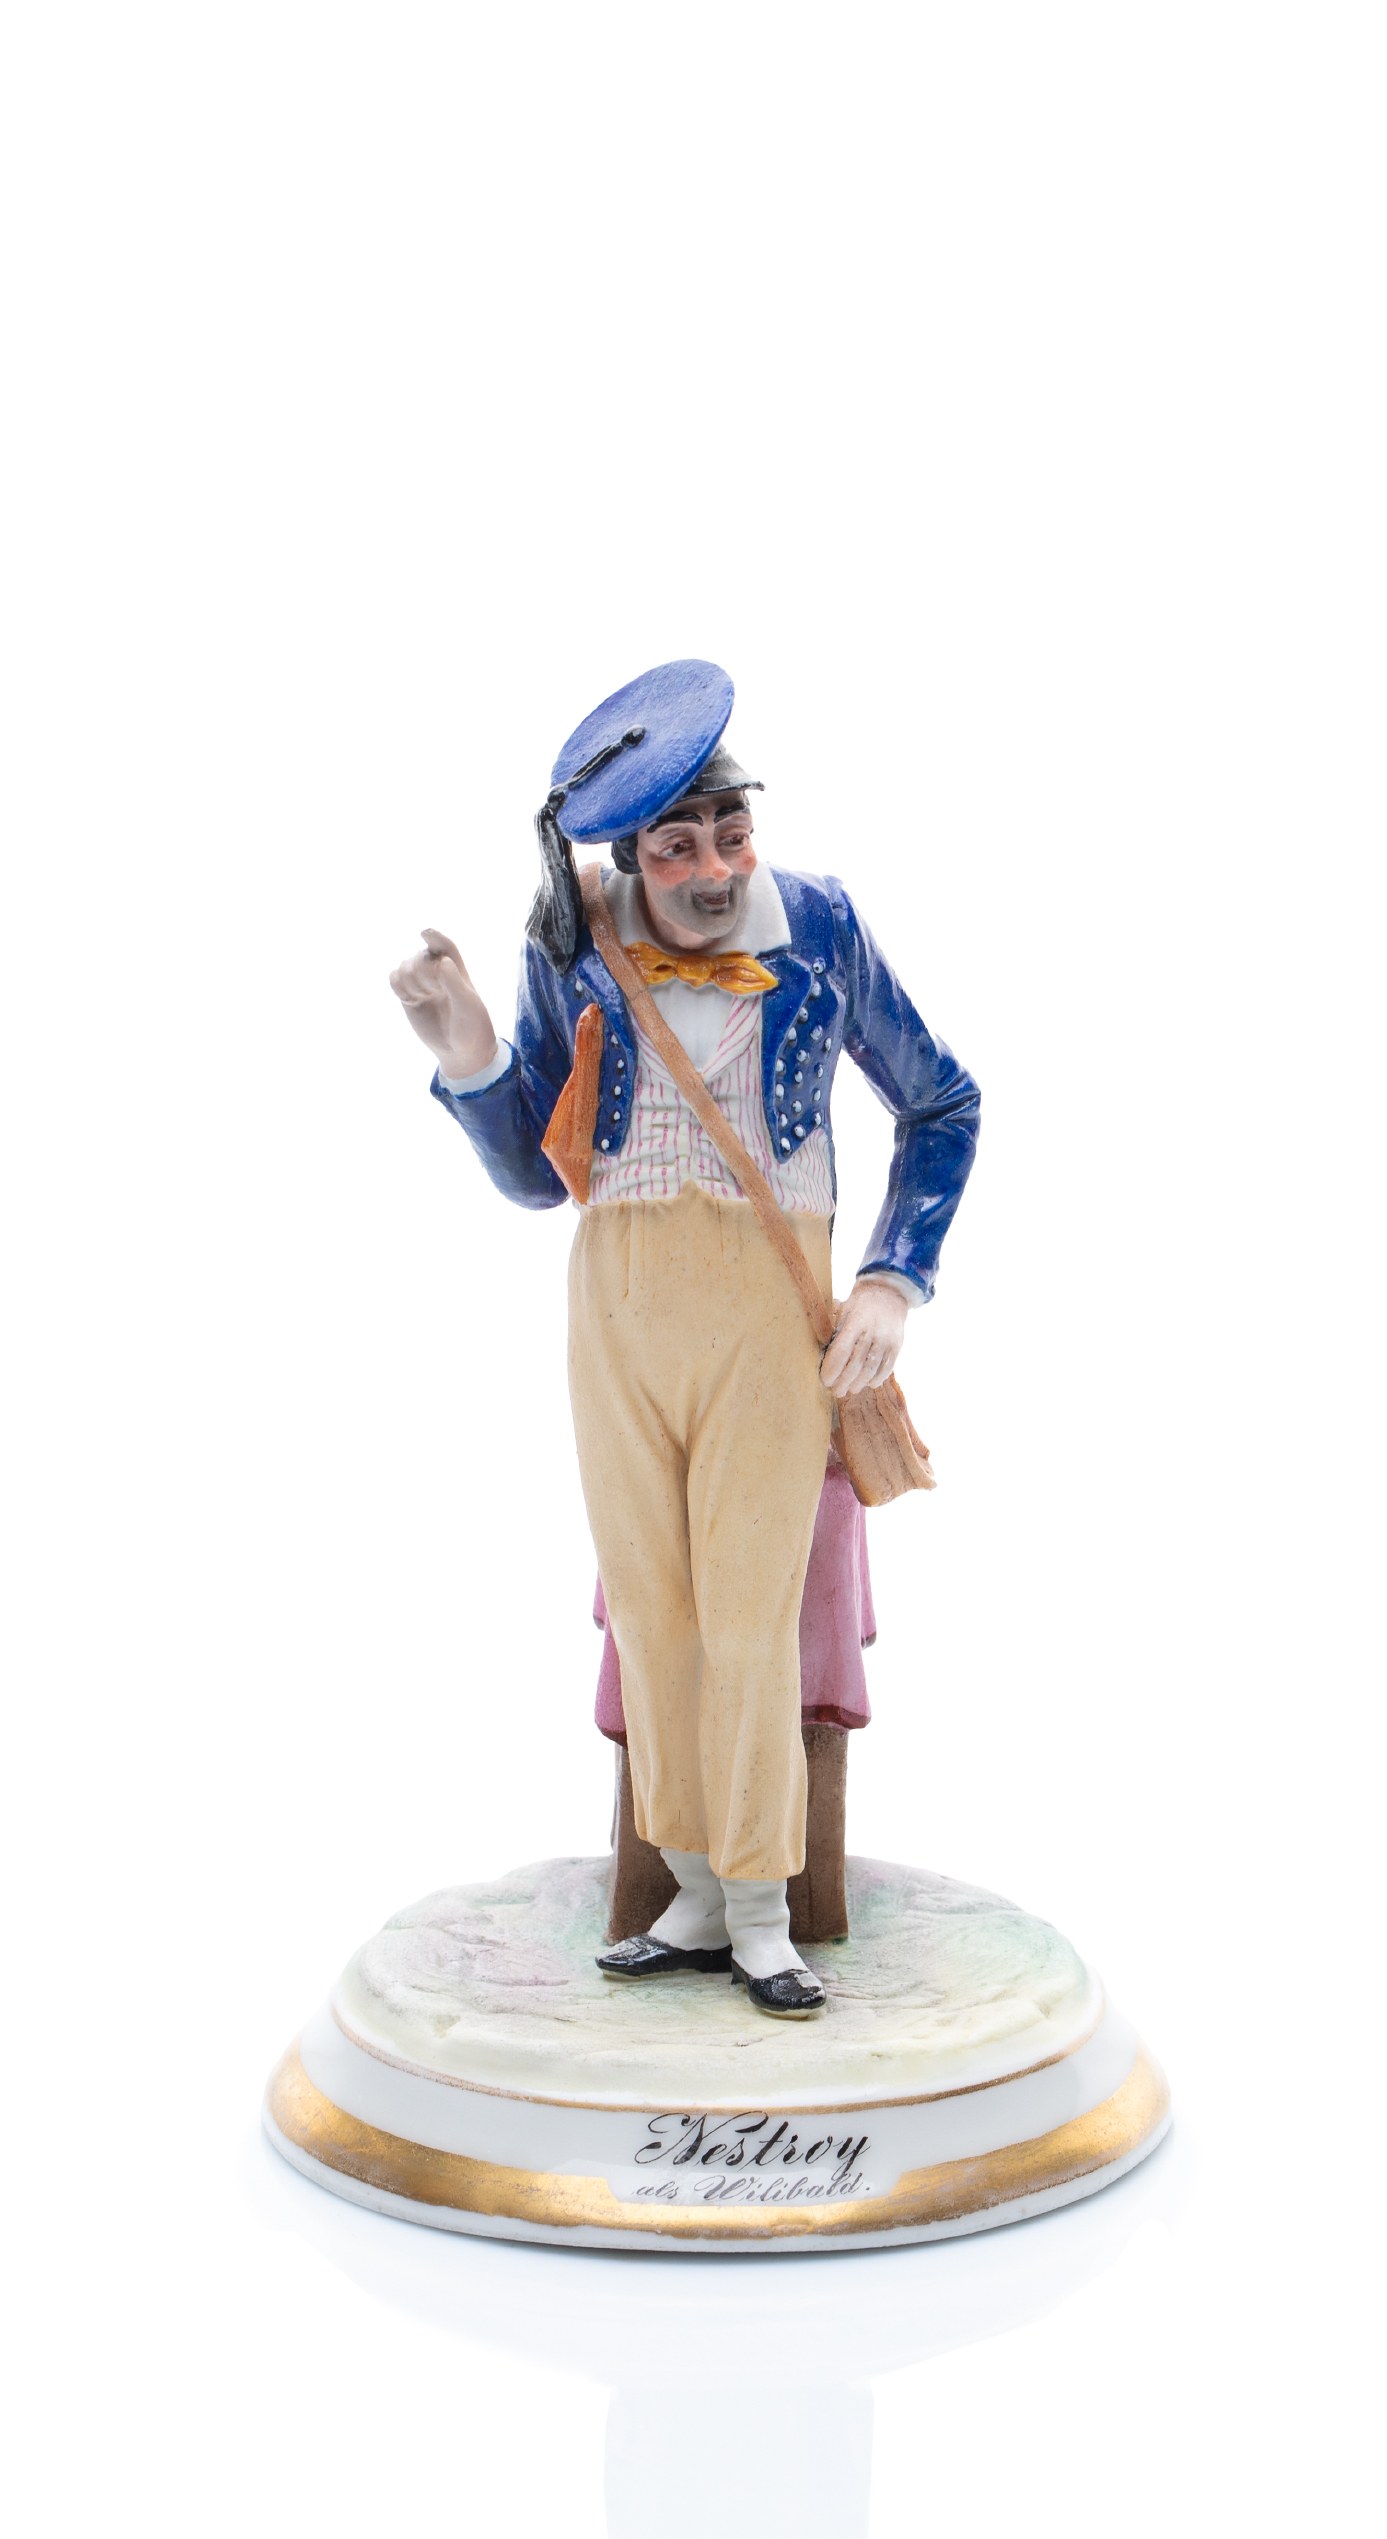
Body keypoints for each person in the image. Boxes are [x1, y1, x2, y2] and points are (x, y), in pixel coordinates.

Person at [389, 660, 980, 2015]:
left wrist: (891, 1282)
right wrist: (468, 1047)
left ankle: (764, 1910)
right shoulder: (577, 942)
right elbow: (536, 1175)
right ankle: (696, 1888)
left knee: (750, 1613)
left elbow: (942, 1103)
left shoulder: (818, 928)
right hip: (617, 1306)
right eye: (677, 847)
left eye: (731, 835)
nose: (713, 871)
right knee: (653, 1611)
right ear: (625, 857)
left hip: (767, 1307)